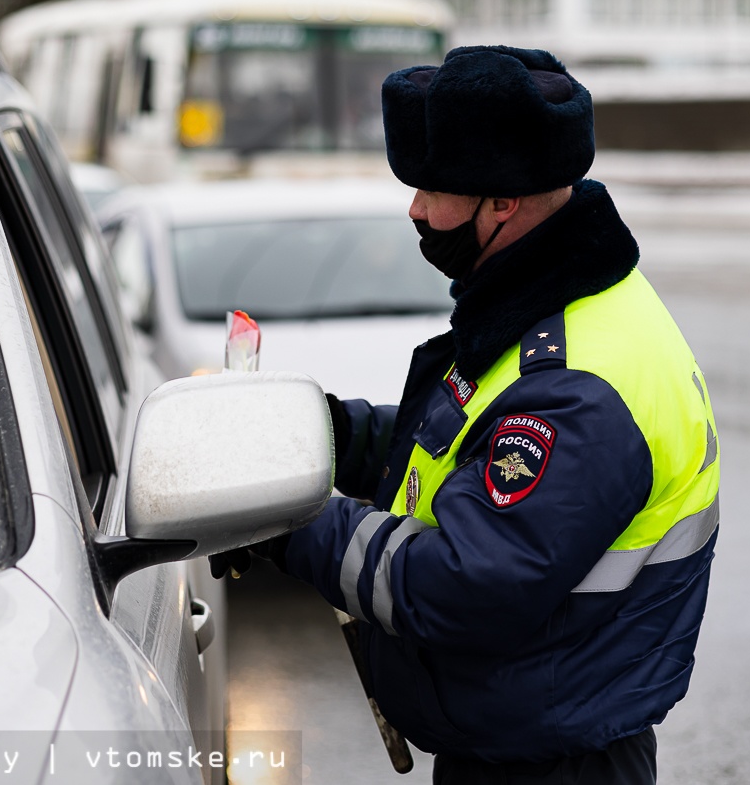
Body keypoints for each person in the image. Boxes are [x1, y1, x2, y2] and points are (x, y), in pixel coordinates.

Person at [213, 46, 720, 784]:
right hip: (521, 743)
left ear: (502, 201)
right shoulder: (549, 297)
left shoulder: (575, 385)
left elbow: (464, 585)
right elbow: (459, 445)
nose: (416, 209)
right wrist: (323, 435)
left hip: (555, 765)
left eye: (432, 189)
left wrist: (291, 521)